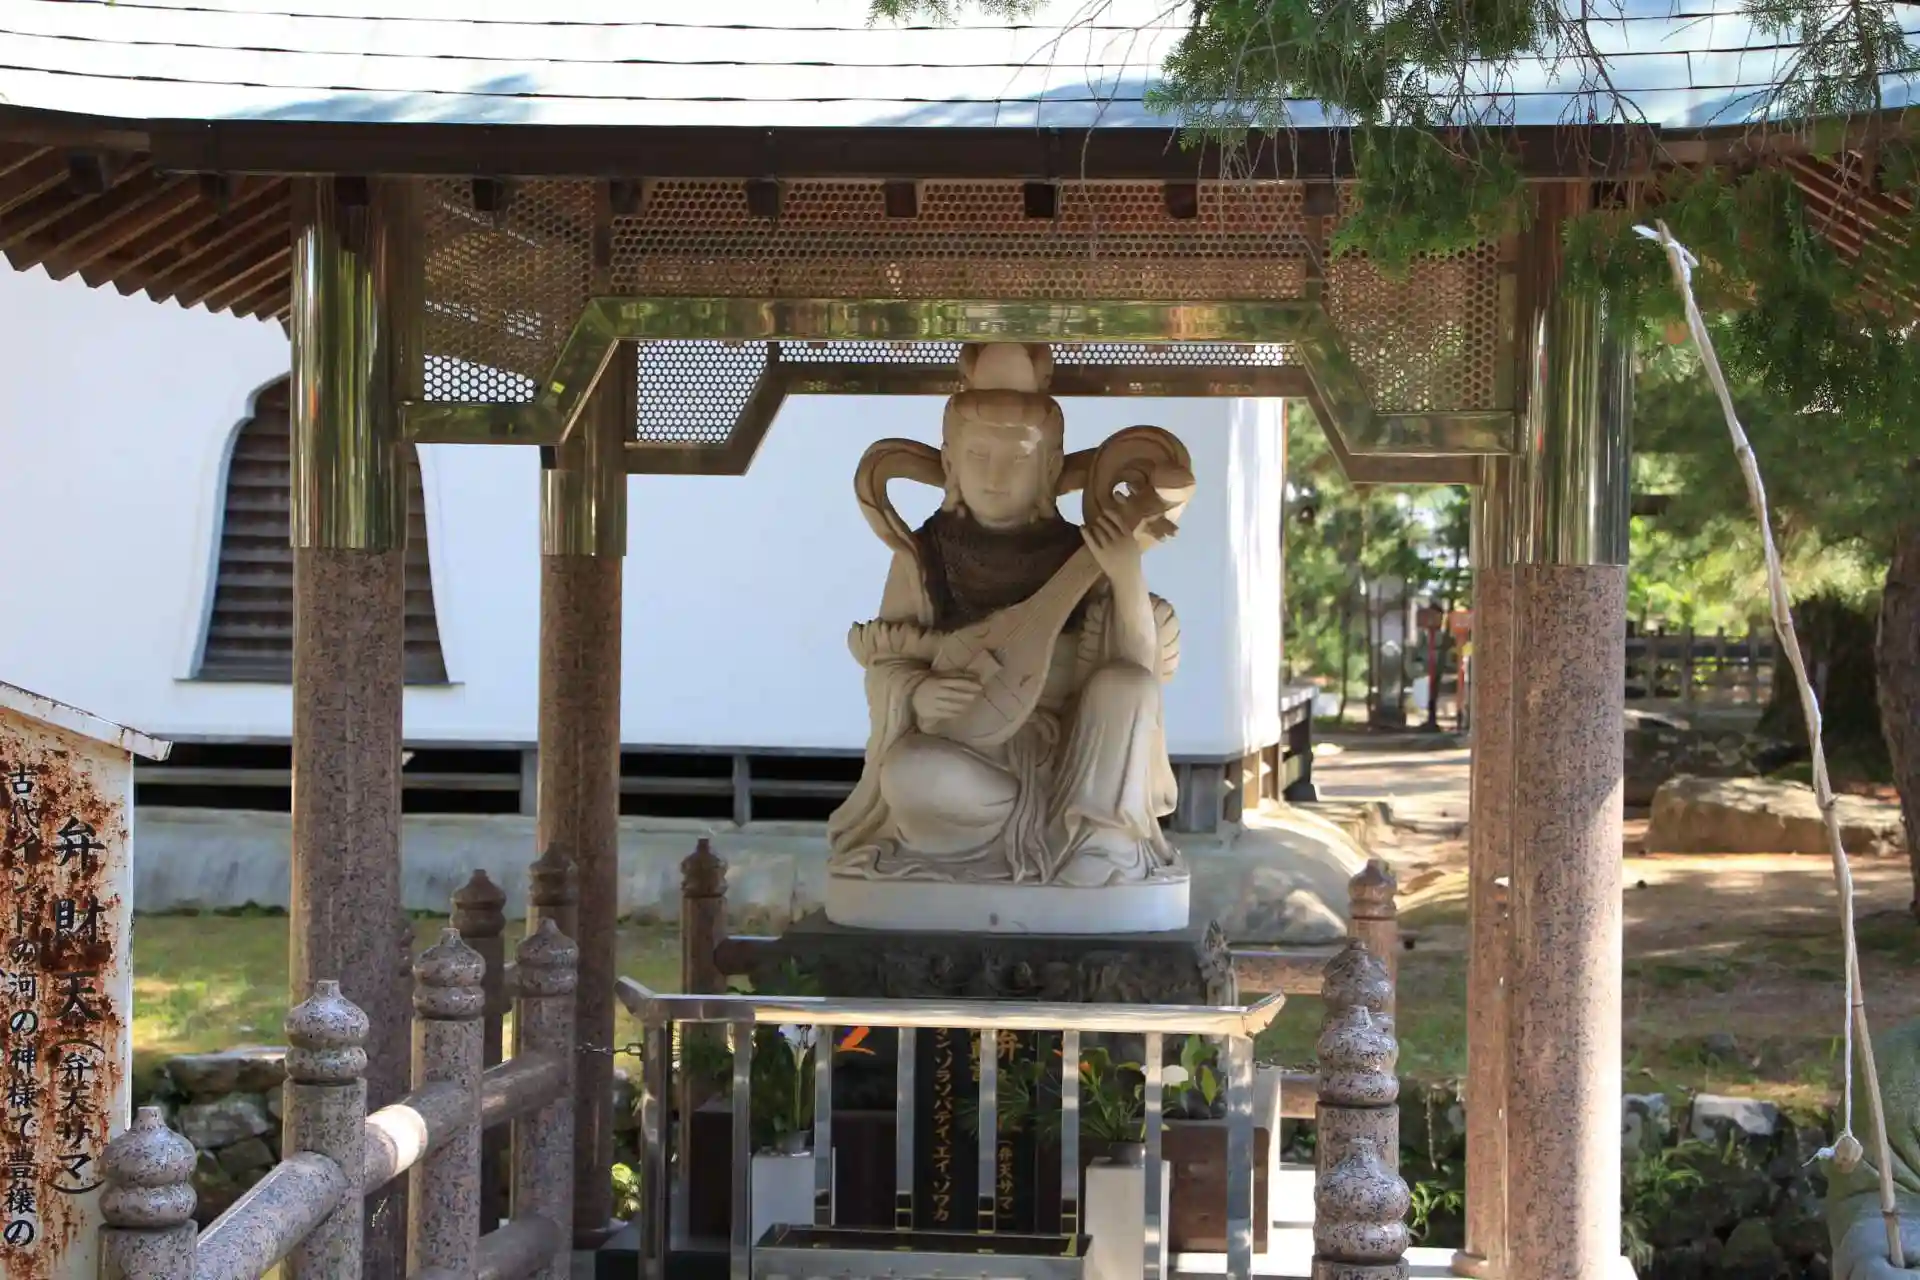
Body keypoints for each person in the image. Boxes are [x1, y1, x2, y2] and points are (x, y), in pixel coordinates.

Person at [826, 342, 1185, 889]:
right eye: (977, 455)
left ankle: (1096, 842)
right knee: (908, 773)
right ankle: (1037, 830)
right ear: (949, 462)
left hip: (1073, 761)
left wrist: (1127, 573)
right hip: (971, 763)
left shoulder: (1086, 551)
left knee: (1129, 688)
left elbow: (1139, 671)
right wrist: (917, 693)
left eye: (1017, 458)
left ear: (1049, 467)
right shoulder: (920, 558)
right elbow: (887, 661)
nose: (995, 476)